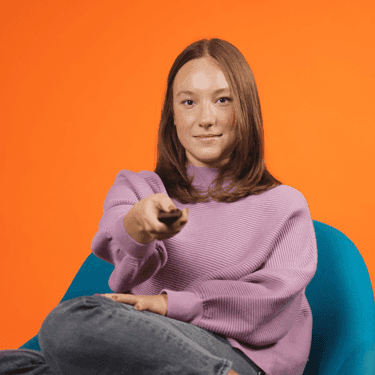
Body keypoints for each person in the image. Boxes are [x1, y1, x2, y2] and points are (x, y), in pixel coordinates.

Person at [0, 38, 318, 375]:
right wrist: (137, 226)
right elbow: (118, 243)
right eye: (189, 102)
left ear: (246, 110)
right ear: (173, 116)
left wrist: (169, 304)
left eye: (223, 100)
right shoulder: (138, 188)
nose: (206, 118)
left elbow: (271, 304)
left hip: (235, 356)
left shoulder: (284, 204)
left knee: (67, 323)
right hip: (150, 349)